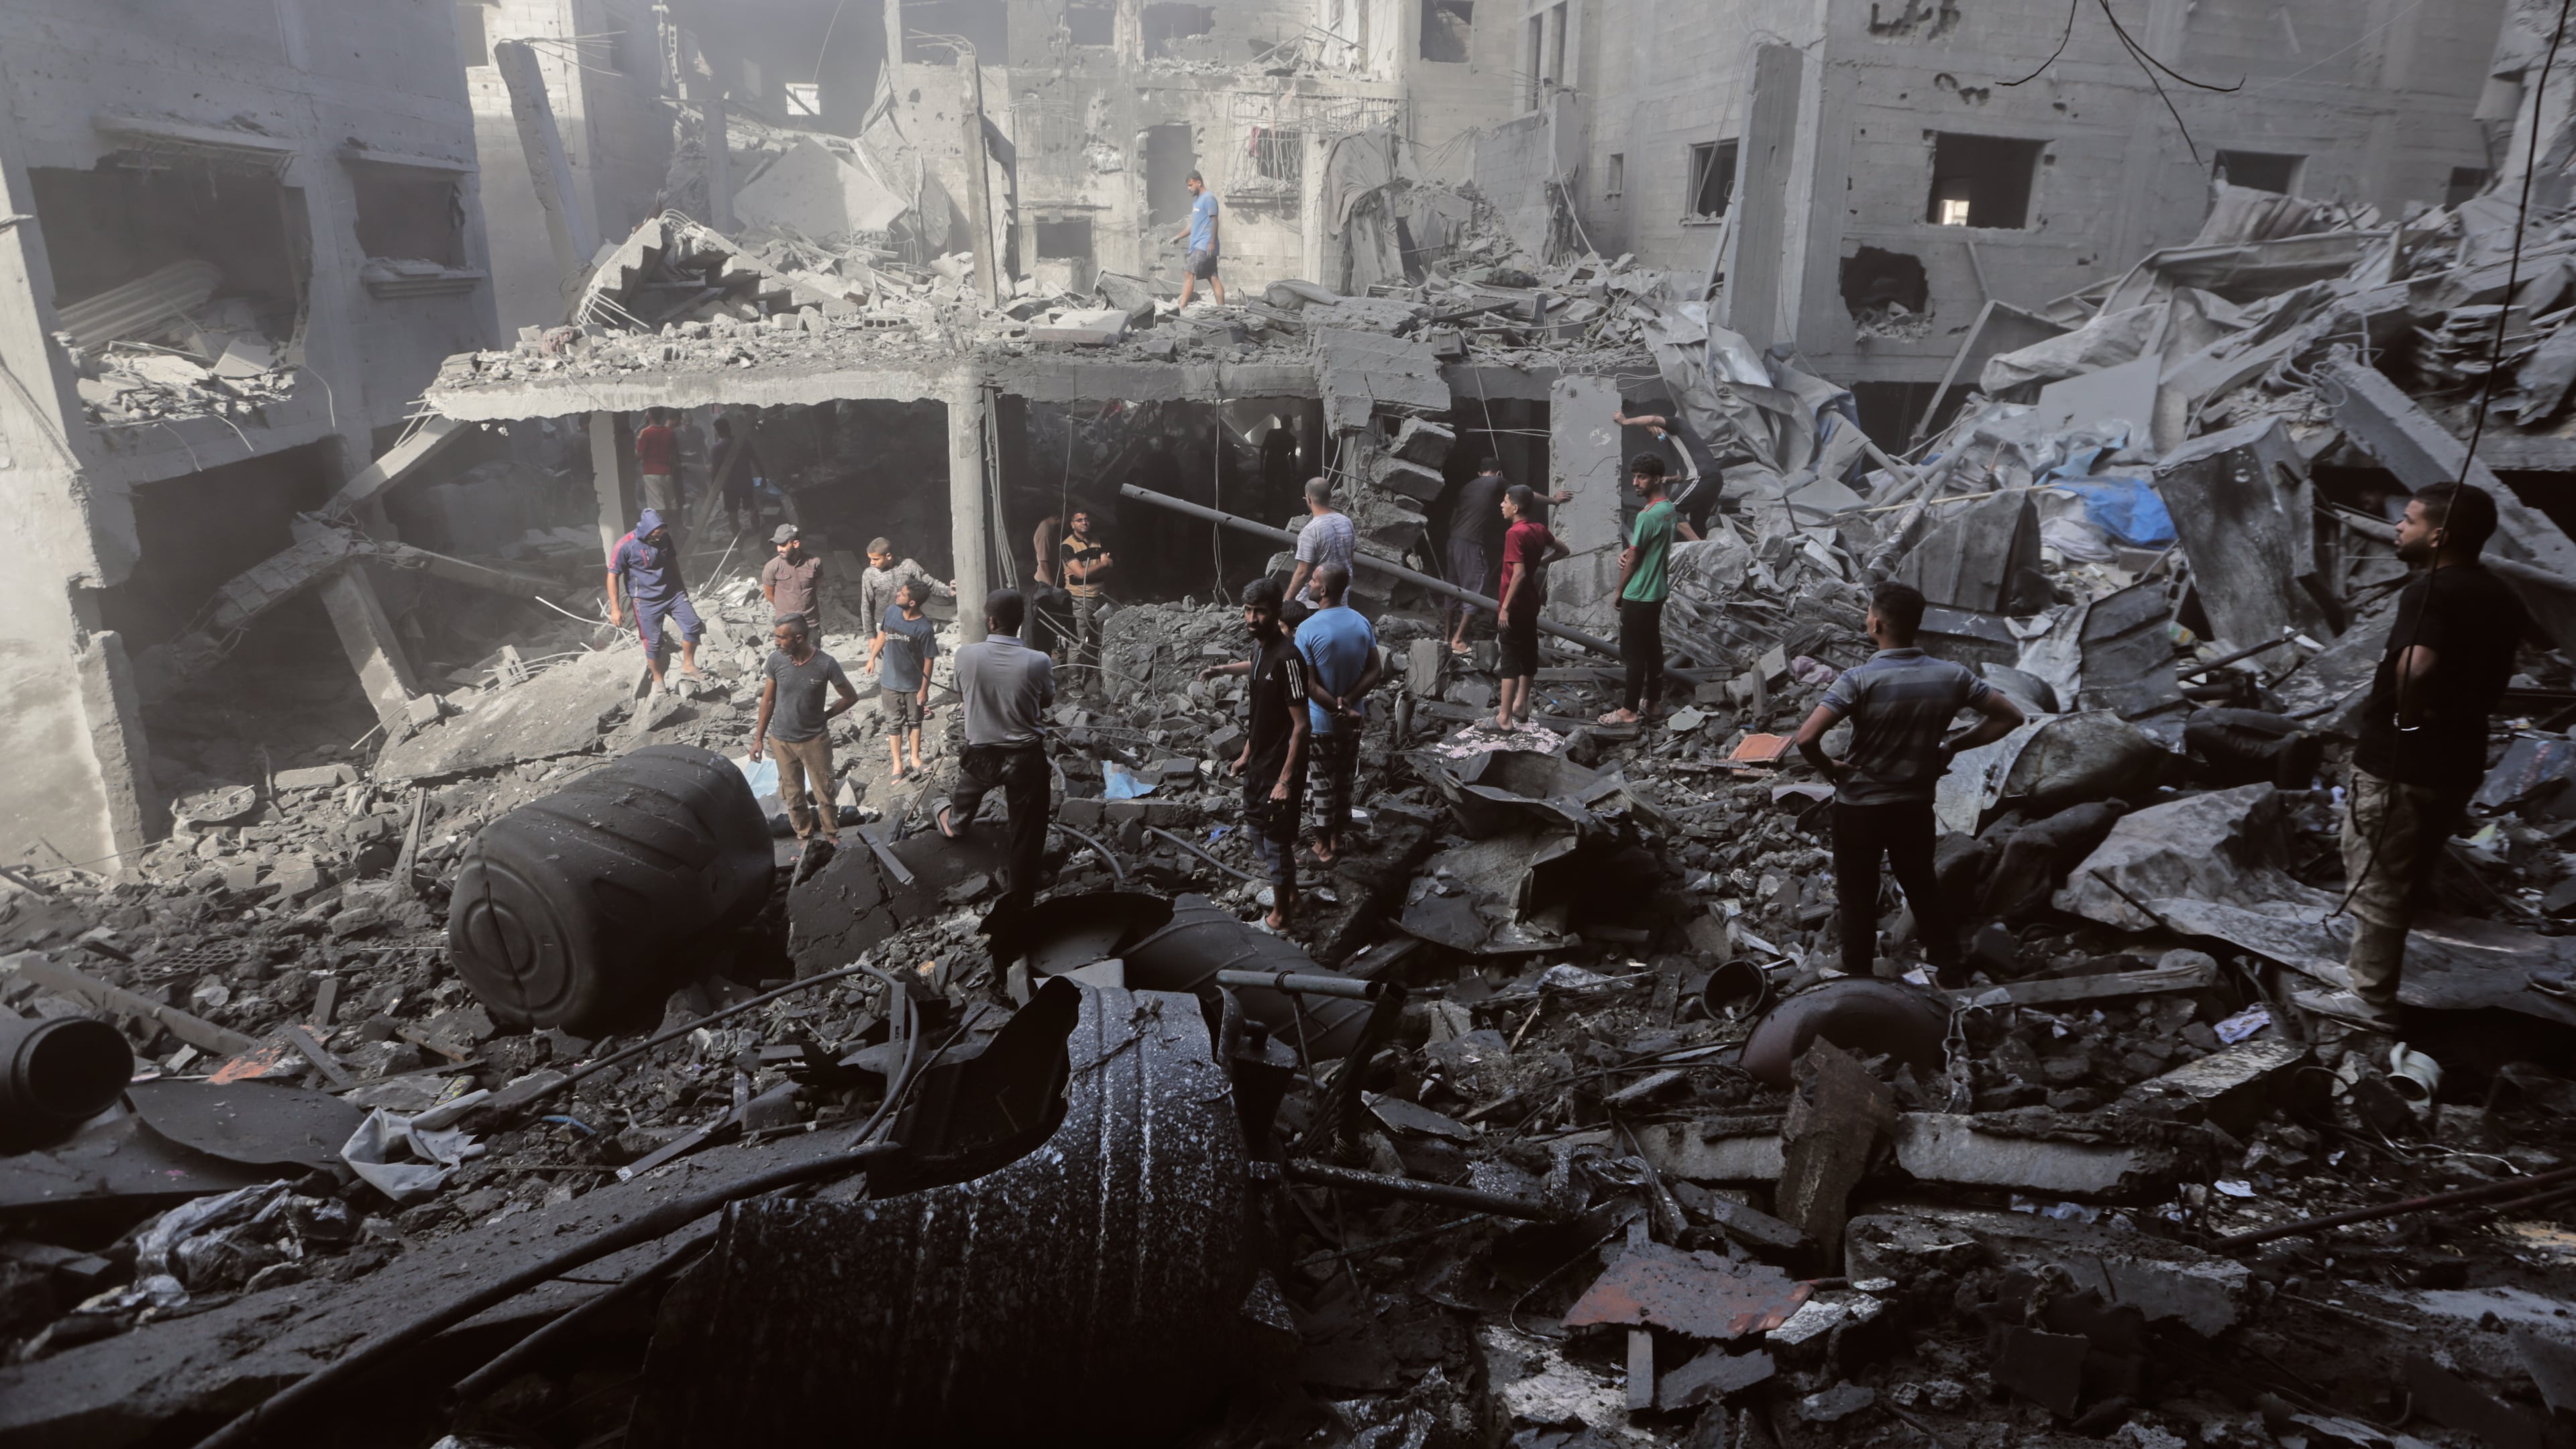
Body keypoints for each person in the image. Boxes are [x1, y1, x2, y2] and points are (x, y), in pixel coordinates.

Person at [2326, 482, 2529, 1030]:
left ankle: (2371, 1000)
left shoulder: (2429, 593)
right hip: (2460, 760)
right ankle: (2380, 975)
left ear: (2439, 536)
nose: (2398, 526)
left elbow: (2416, 667)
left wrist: (2407, 721)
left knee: (2378, 877)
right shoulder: (2504, 595)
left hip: (2403, 762)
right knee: (2410, 871)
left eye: (2410, 520)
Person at [1792, 581, 2027, 985]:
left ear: (1876, 625)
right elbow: (2011, 716)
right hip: (1914, 805)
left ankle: (1860, 978)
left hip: (1860, 807)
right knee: (1921, 885)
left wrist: (1829, 767)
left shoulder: (1857, 680)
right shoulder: (1952, 675)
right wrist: (1953, 745)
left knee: (1857, 893)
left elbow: (1806, 738)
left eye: (1869, 613)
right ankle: (1949, 968)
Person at [940, 590, 1057, 920]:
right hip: (1025, 759)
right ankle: (1021, 903)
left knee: (962, 801)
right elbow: (1046, 701)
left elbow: (964, 695)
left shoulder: (966, 655)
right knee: (1027, 833)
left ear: (990, 621)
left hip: (981, 756)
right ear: (1021, 621)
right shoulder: (1038, 660)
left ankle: (956, 823)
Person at [1199, 576, 1307, 930]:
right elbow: (1262, 717)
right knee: (1259, 836)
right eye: (1247, 610)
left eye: (1259, 611)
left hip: (1279, 770)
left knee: (1276, 845)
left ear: (1276, 613)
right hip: (1258, 765)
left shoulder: (1289, 659)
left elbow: (1301, 726)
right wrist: (1246, 753)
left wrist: (1285, 781)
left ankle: (1281, 917)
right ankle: (1292, 897)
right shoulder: (1259, 652)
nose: (1251, 618)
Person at [1600, 454, 1698, 725]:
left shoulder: (1647, 515)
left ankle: (1628, 711)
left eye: (1641, 477)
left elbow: (1634, 559)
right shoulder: (1668, 510)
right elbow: (1644, 549)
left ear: (1656, 479)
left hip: (1639, 592)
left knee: (1633, 655)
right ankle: (1653, 703)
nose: (1636, 482)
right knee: (1653, 649)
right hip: (1657, 591)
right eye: (1634, 477)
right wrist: (1630, 554)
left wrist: (1619, 590)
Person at [1293, 562, 1380, 865]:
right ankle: (1337, 839)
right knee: (1344, 781)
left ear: (1324, 590)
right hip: (1353, 721)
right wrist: (1350, 704)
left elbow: (1309, 685)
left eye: (1313, 580)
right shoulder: (1361, 622)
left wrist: (1335, 708)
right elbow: (1375, 670)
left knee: (1320, 784)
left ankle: (1322, 849)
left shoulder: (1307, 629)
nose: (1310, 584)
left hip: (1321, 724)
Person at [749, 613, 859, 849]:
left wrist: (826, 715)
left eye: (781, 638)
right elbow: (768, 701)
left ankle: (831, 836)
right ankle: (805, 837)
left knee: (825, 791)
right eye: (776, 636)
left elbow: (850, 697)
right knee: (793, 793)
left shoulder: (826, 664)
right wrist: (758, 739)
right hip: (781, 741)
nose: (776, 642)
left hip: (814, 741)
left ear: (799, 639)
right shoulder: (776, 661)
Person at [1494, 483, 1569, 732]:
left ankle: (1504, 716)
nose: (1502, 505)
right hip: (1531, 604)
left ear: (1515, 508)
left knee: (1509, 658)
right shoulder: (1539, 530)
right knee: (1528, 654)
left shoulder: (1514, 534)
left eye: (1505, 501)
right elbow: (1564, 550)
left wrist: (1505, 608)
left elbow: (1518, 574)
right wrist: (1539, 562)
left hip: (1515, 606)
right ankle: (1521, 705)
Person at [606, 508, 704, 692]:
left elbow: (673, 561)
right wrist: (615, 608)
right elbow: (612, 575)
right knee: (653, 643)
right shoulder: (625, 545)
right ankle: (658, 679)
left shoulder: (665, 538)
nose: (658, 538)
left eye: (661, 534)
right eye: (655, 535)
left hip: (672, 593)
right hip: (645, 601)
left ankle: (688, 665)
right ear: (645, 530)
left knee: (693, 625)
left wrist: (682, 587)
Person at [867, 579, 940, 781]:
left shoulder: (924, 628)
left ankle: (915, 759)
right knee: (894, 724)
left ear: (912, 603)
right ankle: (897, 764)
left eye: (902, 594)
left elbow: (929, 659)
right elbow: (883, 634)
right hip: (890, 682)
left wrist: (924, 690)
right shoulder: (891, 612)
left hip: (913, 685)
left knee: (915, 721)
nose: (897, 595)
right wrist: (872, 657)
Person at [1614, 408, 1723, 537]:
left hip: (1702, 477)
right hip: (1714, 480)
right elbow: (1691, 471)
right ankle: (1702, 546)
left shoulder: (1675, 424)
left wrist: (1625, 421)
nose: (1652, 437)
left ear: (1655, 425)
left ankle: (1697, 543)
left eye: (1649, 432)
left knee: (1668, 510)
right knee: (1697, 522)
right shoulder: (1681, 440)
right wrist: (1672, 479)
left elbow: (1652, 419)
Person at [1444, 458, 1511, 655]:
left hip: (1453, 542)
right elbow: (1522, 494)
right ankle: (1458, 639)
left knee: (1451, 589)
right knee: (1475, 590)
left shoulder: (1467, 487)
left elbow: (1453, 519)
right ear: (1498, 473)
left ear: (1479, 473)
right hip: (1470, 544)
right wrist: (1553, 501)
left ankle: (1446, 638)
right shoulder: (1496, 481)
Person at [857, 539, 955, 651]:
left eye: (875, 559)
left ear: (888, 556)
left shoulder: (908, 566)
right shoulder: (869, 574)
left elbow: (930, 584)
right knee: (888, 660)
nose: (871, 563)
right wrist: (871, 636)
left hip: (910, 624)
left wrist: (948, 591)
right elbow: (866, 605)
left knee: (913, 657)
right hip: (884, 627)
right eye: (870, 559)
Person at [1057, 508, 1114, 690]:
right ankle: (1074, 684)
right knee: (1078, 642)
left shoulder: (1097, 540)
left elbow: (1108, 566)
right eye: (1079, 520)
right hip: (1079, 599)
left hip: (1100, 597)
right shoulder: (1067, 546)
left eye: (1087, 519)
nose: (1084, 522)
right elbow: (1081, 574)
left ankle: (1096, 676)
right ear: (1072, 524)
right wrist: (1102, 565)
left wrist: (1096, 568)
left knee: (1099, 639)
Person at [1284, 478, 1354, 610]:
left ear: (1308, 499)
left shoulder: (1310, 531)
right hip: (1340, 599)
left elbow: (1303, 572)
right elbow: (1350, 558)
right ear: (1330, 496)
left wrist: (1288, 599)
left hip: (1313, 603)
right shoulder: (1346, 522)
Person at [1172, 169, 1224, 308]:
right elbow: (1193, 224)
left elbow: (1215, 221)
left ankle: (1181, 308)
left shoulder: (1209, 198)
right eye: (1187, 186)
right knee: (1212, 276)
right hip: (1201, 245)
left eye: (1191, 185)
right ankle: (1222, 309)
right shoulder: (1197, 202)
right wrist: (1178, 236)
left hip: (1204, 245)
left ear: (1199, 183)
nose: (1188, 189)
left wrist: (1211, 242)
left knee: (1188, 273)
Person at [761, 523, 823, 629]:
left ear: (796, 544)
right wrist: (784, 609)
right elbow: (769, 595)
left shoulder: (814, 563)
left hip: (811, 622)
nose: (779, 549)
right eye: (777, 545)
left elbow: (815, 588)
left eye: (783, 545)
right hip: (786, 624)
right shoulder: (772, 567)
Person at [711, 415, 765, 534]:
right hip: (746, 483)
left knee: (732, 513)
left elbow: (714, 471)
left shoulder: (716, 448)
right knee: (751, 507)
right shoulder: (743, 443)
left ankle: (738, 539)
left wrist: (713, 490)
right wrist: (764, 478)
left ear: (717, 432)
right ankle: (757, 532)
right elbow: (756, 461)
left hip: (730, 487)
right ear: (730, 428)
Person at [636, 409, 681, 524]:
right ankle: (674, 528)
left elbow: (640, 454)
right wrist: (672, 470)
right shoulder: (669, 432)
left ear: (649, 415)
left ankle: (661, 530)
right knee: (672, 505)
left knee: (658, 507)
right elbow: (673, 454)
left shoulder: (645, 432)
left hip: (651, 473)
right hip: (667, 473)